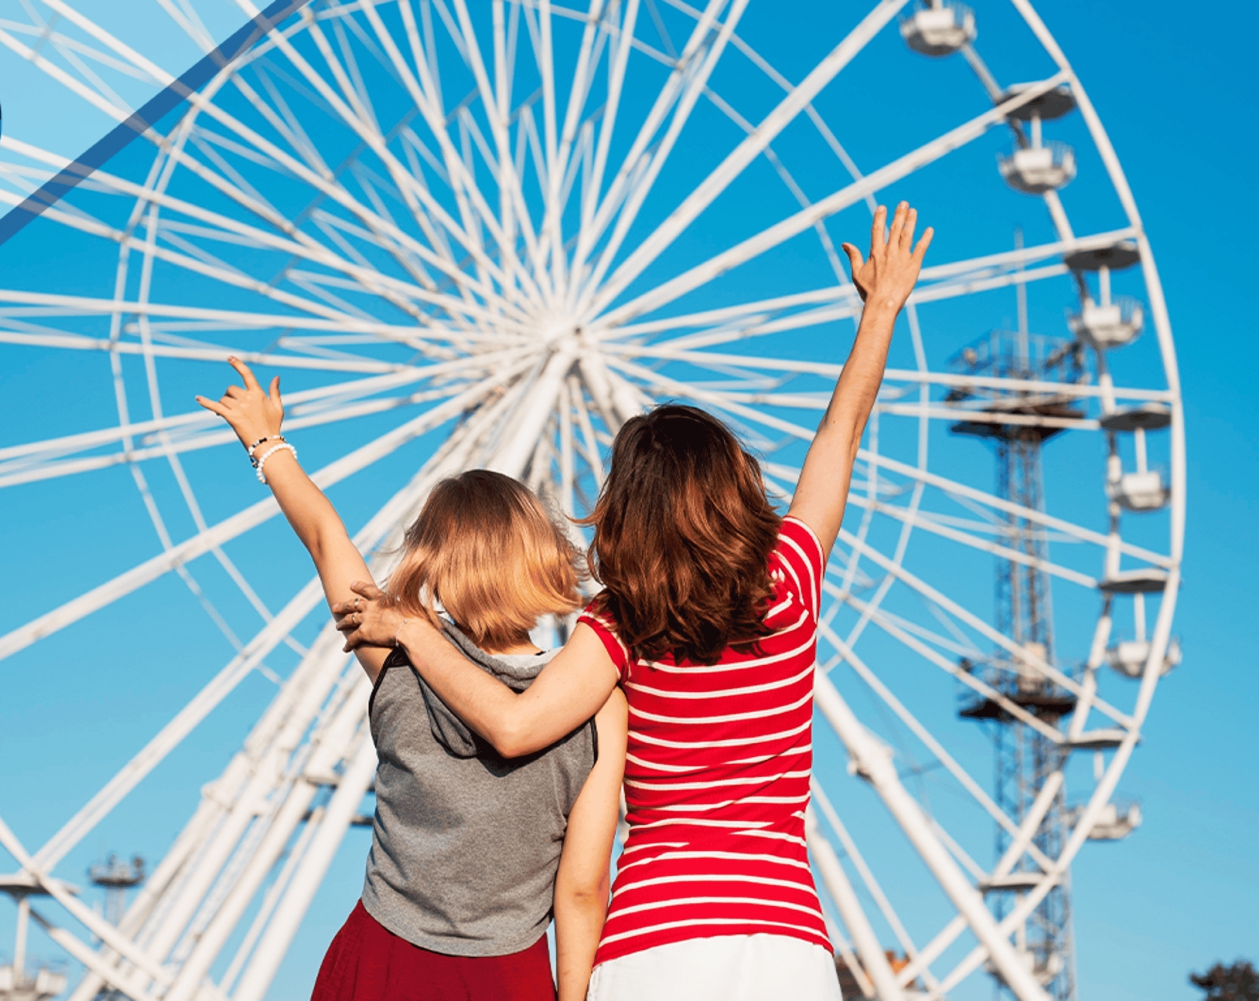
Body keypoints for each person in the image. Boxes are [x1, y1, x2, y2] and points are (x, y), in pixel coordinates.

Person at [333, 203, 933, 1001]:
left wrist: (415, 630)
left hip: (653, 941)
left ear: (626, 510)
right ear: (735, 485)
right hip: (780, 941)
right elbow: (839, 438)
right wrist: (881, 307)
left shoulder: (618, 624)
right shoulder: (790, 577)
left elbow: (513, 725)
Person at [197, 362, 628, 1001]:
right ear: (543, 559)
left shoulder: (399, 659)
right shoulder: (597, 704)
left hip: (381, 955)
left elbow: (325, 540)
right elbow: (583, 888)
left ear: (432, 562)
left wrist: (267, 444)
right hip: (507, 974)